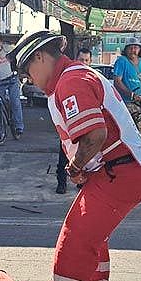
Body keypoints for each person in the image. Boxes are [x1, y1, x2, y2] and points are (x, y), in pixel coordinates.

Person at [11, 31, 141, 281]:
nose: (29, 80)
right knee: (93, 242)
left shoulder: (69, 82)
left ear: (40, 58)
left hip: (120, 171)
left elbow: (94, 135)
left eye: (27, 71)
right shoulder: (75, 77)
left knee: (74, 241)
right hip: (123, 169)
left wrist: (75, 168)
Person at [56, 48, 93, 194]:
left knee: (85, 154)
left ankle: (82, 181)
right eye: (81, 60)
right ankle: (61, 182)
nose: (83, 63)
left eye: (86, 60)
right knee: (64, 154)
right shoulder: (67, 77)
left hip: (86, 122)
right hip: (69, 122)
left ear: (90, 62)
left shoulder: (92, 78)